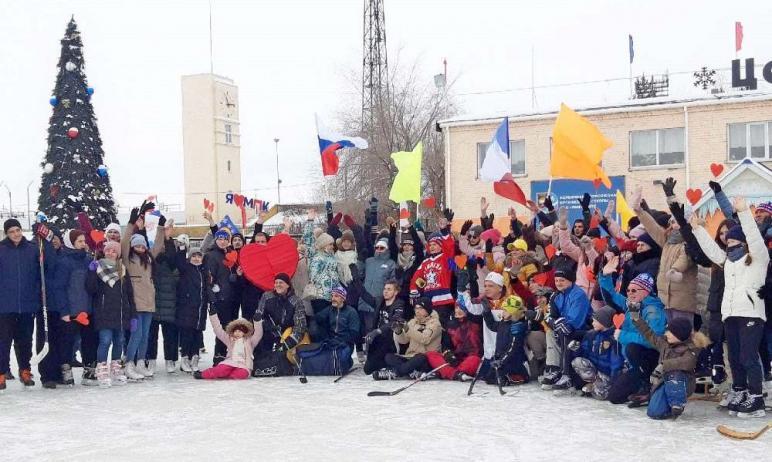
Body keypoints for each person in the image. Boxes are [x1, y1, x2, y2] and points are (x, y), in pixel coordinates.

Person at [691, 196, 769, 417]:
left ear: (744, 243)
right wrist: (697, 229)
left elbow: (754, 237)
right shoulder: (728, 262)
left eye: (736, 243)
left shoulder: (757, 258)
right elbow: (711, 251)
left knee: (748, 356)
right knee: (734, 357)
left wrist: (743, 212)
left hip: (751, 314)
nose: (731, 246)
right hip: (730, 314)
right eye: (729, 243)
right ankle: (741, 390)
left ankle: (756, 398)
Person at [598, 258, 666, 405]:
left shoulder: (653, 311)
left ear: (646, 291)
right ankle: (636, 382)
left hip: (649, 360)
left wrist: (624, 336)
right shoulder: (633, 305)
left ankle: (647, 385)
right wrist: (605, 276)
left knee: (632, 348)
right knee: (614, 396)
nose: (629, 293)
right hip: (632, 362)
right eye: (628, 290)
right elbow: (612, 295)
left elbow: (654, 340)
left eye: (634, 290)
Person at [631, 180, 698, 328]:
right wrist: (639, 211)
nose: (674, 225)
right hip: (665, 300)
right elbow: (652, 227)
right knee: (668, 338)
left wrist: (675, 269)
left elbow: (685, 259)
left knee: (683, 337)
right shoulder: (668, 241)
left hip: (683, 302)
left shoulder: (690, 242)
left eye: (677, 222)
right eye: (672, 222)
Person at [0, 220, 54, 390]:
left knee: (24, 341)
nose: (16, 234)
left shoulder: (32, 249)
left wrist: (45, 240)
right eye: (11, 232)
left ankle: (25, 370)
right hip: (4, 305)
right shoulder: (1, 249)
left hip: (27, 303)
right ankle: (1, 373)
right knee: (3, 341)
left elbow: (43, 270)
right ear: (6, 233)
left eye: (17, 230)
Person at [630, 308, 710, 419]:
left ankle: (677, 404)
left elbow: (687, 362)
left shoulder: (691, 348)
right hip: (664, 381)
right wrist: (636, 318)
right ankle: (664, 403)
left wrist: (663, 365)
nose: (666, 333)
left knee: (675, 372)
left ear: (679, 335)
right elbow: (648, 334)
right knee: (654, 413)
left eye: (670, 332)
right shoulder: (664, 343)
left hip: (682, 383)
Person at [121, 205, 165, 380]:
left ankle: (141, 362)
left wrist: (160, 227)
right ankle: (129, 363)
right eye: (137, 245)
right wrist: (131, 223)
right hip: (135, 304)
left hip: (148, 302)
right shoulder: (128, 258)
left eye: (142, 245)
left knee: (145, 334)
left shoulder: (149, 258)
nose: (140, 247)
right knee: (136, 333)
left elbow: (159, 245)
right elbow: (124, 242)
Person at [52, 229, 98, 386]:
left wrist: (93, 271)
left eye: (84, 241)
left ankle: (89, 371)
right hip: (71, 312)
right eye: (79, 241)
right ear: (71, 243)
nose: (83, 244)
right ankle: (66, 370)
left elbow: (92, 287)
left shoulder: (88, 260)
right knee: (67, 342)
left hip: (88, 310)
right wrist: (64, 310)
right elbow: (59, 288)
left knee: (90, 341)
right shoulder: (64, 262)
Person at [86, 241, 134, 387]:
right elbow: (91, 289)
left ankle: (116, 368)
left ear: (118, 254)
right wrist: (92, 272)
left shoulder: (123, 270)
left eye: (114, 251)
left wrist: (133, 315)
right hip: (104, 313)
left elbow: (129, 294)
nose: (111, 253)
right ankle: (101, 368)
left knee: (119, 341)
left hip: (120, 313)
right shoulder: (98, 268)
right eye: (108, 250)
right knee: (105, 341)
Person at [539, 263, 592, 389]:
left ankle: (566, 374)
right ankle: (554, 369)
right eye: (556, 280)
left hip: (584, 329)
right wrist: (554, 323)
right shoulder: (556, 295)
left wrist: (557, 323)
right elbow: (550, 316)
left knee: (564, 331)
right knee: (551, 332)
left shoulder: (578, 295)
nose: (558, 283)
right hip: (565, 327)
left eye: (562, 280)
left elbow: (575, 322)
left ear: (570, 280)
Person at [251, 273, 309, 377]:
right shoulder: (266, 296)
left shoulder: (296, 301)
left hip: (286, 336)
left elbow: (300, 326)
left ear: (288, 285)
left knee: (282, 356)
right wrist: (268, 325)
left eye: (281, 282)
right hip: (269, 333)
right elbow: (258, 317)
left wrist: (287, 343)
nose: (278, 285)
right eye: (276, 282)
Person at [167, 234, 209, 374]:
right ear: (189, 258)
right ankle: (185, 358)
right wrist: (182, 248)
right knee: (186, 334)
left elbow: (207, 288)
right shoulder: (186, 269)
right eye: (193, 256)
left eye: (199, 256)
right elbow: (179, 260)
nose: (196, 259)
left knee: (197, 334)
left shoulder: (203, 272)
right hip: (186, 308)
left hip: (200, 309)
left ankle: (195, 358)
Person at [410, 210, 456, 326]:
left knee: (441, 329)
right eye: (430, 245)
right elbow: (416, 276)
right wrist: (414, 290)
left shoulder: (446, 258)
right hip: (428, 302)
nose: (432, 247)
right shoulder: (425, 262)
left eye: (434, 244)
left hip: (443, 301)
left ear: (441, 246)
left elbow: (449, 247)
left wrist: (445, 230)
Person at [377, 297, 441, 380]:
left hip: (426, 358)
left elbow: (425, 339)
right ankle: (411, 372)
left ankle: (395, 373)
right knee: (389, 357)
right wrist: (398, 331)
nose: (417, 311)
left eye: (420, 308)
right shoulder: (412, 322)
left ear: (427, 309)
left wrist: (408, 329)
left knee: (420, 357)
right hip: (410, 356)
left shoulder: (435, 324)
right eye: (416, 308)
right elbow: (403, 341)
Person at [569, 305, 625, 400]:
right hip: (595, 372)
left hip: (608, 374)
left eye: (595, 320)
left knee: (600, 395)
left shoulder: (613, 338)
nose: (593, 322)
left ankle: (600, 386)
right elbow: (584, 354)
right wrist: (576, 349)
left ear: (604, 322)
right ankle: (593, 383)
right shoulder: (590, 335)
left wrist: (614, 381)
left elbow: (616, 363)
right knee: (577, 361)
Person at [356, 237, 396, 362]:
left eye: (382, 248)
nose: (379, 250)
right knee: (363, 329)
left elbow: (393, 282)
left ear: (387, 249)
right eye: (377, 247)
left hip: (378, 300)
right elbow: (360, 273)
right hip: (364, 298)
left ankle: (371, 355)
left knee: (372, 328)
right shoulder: (369, 261)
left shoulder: (391, 263)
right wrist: (360, 261)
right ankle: (365, 353)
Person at [146, 225, 179, 374]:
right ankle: (150, 360)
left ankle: (170, 360)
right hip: (152, 305)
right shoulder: (149, 264)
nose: (162, 250)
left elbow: (172, 255)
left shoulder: (173, 264)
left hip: (169, 305)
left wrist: (167, 238)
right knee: (151, 337)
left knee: (170, 337)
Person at [194, 308, 260, 380]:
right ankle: (203, 374)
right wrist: (213, 315)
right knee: (221, 369)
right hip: (230, 362)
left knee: (241, 374)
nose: (237, 333)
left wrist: (257, 321)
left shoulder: (250, 341)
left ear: (245, 332)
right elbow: (218, 330)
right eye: (236, 331)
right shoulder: (230, 339)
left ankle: (229, 374)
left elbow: (258, 334)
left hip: (244, 365)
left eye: (240, 331)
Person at [425, 299, 481, 382]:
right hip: (454, 360)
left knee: (475, 360)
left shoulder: (476, 324)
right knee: (431, 354)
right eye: (456, 308)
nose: (458, 311)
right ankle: (456, 374)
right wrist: (448, 353)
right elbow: (446, 345)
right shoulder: (451, 325)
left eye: (461, 308)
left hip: (470, 359)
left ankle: (446, 373)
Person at [483, 295, 530, 385]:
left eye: (505, 310)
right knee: (489, 377)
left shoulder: (517, 326)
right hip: (502, 359)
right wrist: (486, 312)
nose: (502, 312)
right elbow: (492, 326)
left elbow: (513, 348)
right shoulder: (504, 323)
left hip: (513, 360)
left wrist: (502, 361)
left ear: (513, 312)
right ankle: (504, 378)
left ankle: (519, 376)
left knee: (499, 376)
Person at [362, 280, 406, 375]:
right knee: (367, 369)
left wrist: (378, 331)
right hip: (378, 340)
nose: (385, 291)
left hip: (391, 341)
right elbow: (364, 295)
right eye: (385, 289)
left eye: (389, 289)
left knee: (373, 365)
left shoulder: (399, 304)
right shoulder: (380, 301)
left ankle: (392, 364)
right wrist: (355, 280)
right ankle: (385, 364)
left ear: (396, 292)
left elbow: (394, 321)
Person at [302, 209, 340, 318]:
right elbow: (308, 238)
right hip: (319, 295)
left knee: (332, 322)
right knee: (321, 321)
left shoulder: (332, 256)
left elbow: (335, 274)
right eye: (330, 244)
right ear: (323, 244)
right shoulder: (314, 254)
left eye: (332, 244)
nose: (332, 247)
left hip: (333, 296)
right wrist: (310, 220)